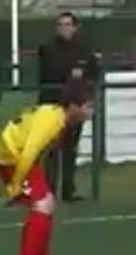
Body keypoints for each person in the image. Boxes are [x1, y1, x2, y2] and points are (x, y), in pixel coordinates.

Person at [0, 80, 94, 255]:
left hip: (21, 158)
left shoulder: (57, 116)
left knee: (47, 203)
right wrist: (15, 184)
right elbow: (29, 152)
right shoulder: (52, 121)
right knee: (42, 204)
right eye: (88, 107)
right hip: (12, 158)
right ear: (73, 106)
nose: (91, 112)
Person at [36, 12, 100, 202]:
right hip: (53, 106)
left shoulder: (83, 48)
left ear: (74, 27)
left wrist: (84, 81)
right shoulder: (48, 48)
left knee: (71, 149)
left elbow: (94, 69)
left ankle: (68, 190)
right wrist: (73, 73)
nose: (64, 28)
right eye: (61, 24)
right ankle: (50, 189)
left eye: (68, 24)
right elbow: (50, 72)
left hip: (75, 105)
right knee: (53, 150)